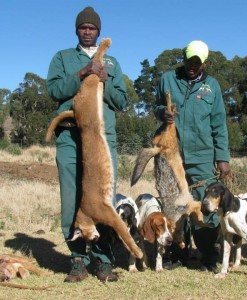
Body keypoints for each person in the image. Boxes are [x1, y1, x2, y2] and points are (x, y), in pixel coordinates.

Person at [46, 6, 128, 283]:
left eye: (92, 28)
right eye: (83, 27)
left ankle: (104, 261)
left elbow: (123, 102)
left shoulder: (113, 63)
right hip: (71, 138)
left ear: (99, 31)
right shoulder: (63, 58)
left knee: (104, 202)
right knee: (71, 200)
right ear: (77, 30)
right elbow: (54, 91)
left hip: (103, 141)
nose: (88, 31)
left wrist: (105, 80)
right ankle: (78, 260)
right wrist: (81, 72)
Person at [153, 40, 231, 272]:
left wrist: (222, 157)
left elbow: (219, 123)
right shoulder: (168, 79)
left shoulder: (212, 87)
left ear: (204, 63)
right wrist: (162, 113)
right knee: (175, 205)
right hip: (171, 154)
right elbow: (156, 106)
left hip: (202, 156)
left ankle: (208, 255)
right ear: (183, 58)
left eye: (197, 62)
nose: (192, 66)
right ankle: (178, 252)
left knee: (205, 206)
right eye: (189, 60)